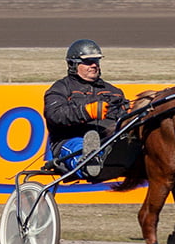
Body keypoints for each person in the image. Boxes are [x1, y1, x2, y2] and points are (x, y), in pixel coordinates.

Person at [43, 38, 126, 177]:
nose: (94, 65)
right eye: (88, 62)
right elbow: (54, 115)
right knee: (79, 146)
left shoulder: (114, 91)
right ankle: (88, 163)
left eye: (97, 61)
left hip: (106, 141)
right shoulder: (60, 88)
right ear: (73, 64)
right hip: (69, 140)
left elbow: (122, 119)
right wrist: (87, 112)